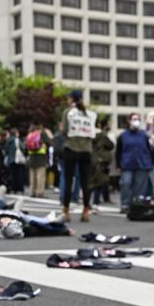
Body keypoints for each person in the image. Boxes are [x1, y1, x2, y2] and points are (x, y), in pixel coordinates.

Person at [60, 89, 97, 222]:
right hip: (86, 150)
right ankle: (86, 209)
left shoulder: (68, 112)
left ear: (72, 99)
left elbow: (64, 130)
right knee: (85, 181)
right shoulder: (90, 114)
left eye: (68, 98)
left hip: (71, 148)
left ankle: (66, 210)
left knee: (69, 180)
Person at [115, 113, 153, 211]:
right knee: (126, 183)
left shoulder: (143, 135)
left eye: (138, 119)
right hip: (127, 163)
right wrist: (118, 164)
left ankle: (137, 204)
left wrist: (150, 163)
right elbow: (118, 151)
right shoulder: (123, 136)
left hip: (142, 163)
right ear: (129, 121)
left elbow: (148, 149)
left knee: (140, 185)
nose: (137, 121)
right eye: (134, 119)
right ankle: (125, 204)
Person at [91, 118, 115, 207]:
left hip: (90, 160)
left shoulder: (88, 135)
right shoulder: (102, 136)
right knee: (100, 182)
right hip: (101, 161)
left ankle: (88, 203)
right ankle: (95, 202)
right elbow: (111, 145)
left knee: (90, 182)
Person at [24, 124, 51, 198]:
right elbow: (49, 143)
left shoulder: (29, 134)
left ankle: (32, 192)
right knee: (40, 176)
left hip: (32, 157)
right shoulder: (42, 133)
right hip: (41, 158)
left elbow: (26, 147)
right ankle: (39, 192)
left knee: (32, 176)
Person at [4, 127, 27, 195]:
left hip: (11, 160)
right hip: (18, 159)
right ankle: (20, 189)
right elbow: (23, 148)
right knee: (20, 175)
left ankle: (13, 188)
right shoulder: (17, 140)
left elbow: (5, 150)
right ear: (15, 133)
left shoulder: (8, 140)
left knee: (13, 175)